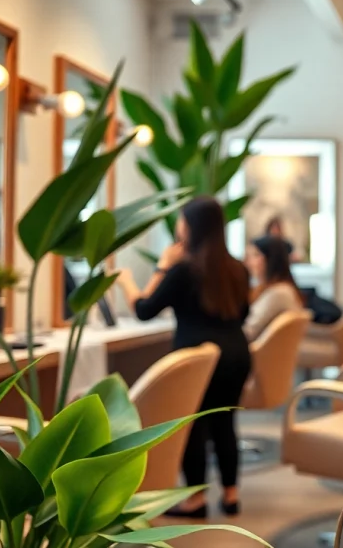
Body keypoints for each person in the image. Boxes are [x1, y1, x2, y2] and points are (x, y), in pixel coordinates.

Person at [116, 197, 252, 519]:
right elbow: (243, 313)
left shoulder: (183, 271)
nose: (177, 227)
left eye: (181, 221)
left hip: (197, 360)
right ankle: (231, 496)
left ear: (191, 227)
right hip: (236, 355)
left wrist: (139, 276)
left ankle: (196, 500)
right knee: (225, 424)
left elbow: (144, 310)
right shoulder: (238, 270)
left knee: (192, 427)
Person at [243, 235, 304, 341]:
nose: (247, 262)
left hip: (261, 355)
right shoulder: (278, 289)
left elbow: (248, 332)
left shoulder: (279, 293)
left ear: (270, 259)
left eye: (255, 255)